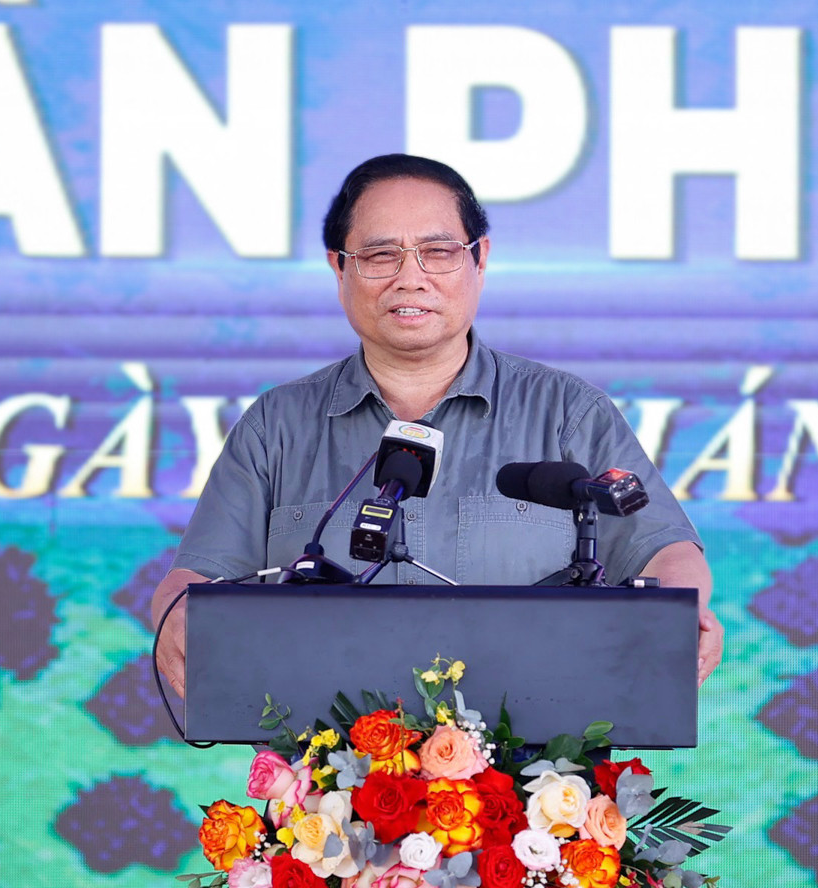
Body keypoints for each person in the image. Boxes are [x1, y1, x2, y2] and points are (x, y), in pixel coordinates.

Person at [151, 154, 722, 695]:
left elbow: (665, 553)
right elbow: (197, 582)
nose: (410, 278)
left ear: (480, 259)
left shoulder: (570, 414)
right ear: (339, 267)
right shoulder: (276, 426)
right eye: (380, 256)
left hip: (536, 784)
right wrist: (175, 620)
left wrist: (681, 611)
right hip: (329, 781)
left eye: (438, 251)